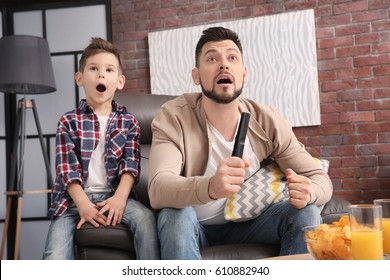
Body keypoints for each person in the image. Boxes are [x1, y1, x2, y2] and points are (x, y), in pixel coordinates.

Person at [148, 27, 333, 259]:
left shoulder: (267, 121)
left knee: (305, 213)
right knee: (174, 215)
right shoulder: (174, 116)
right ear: (196, 76)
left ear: (244, 73)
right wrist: (211, 187)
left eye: (232, 57)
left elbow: (320, 178)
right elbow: (158, 188)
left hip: (251, 225)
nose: (223, 65)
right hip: (193, 225)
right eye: (212, 58)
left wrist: (310, 191)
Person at [43, 37, 159, 260]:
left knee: (145, 219)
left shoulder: (129, 122)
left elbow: (130, 166)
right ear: (80, 78)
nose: (101, 75)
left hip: (115, 196)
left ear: (120, 81)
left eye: (109, 69)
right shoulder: (68, 121)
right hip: (73, 202)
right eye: (93, 68)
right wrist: (84, 205)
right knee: (54, 253)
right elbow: (67, 171)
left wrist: (120, 199)